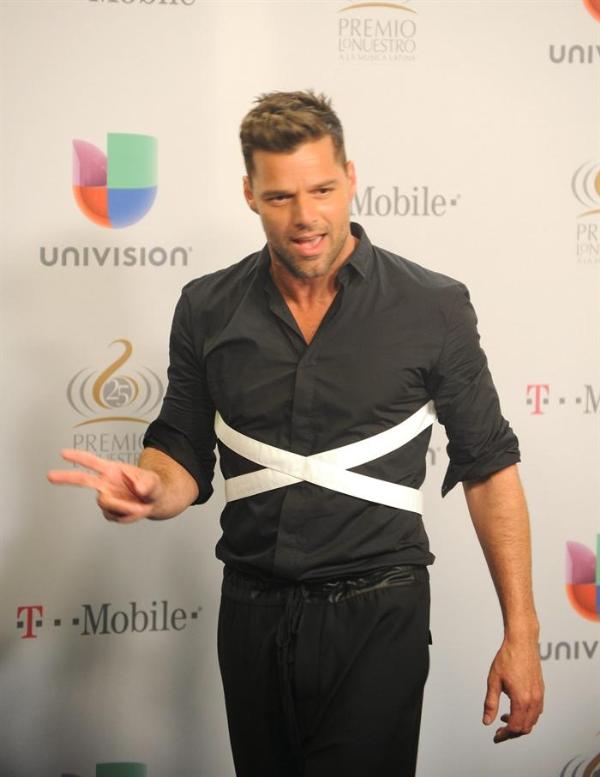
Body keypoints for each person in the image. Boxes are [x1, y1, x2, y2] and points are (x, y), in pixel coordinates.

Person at [48, 90, 544, 777]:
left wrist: (522, 632)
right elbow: (181, 447)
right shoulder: (206, 307)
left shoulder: (433, 306)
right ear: (250, 194)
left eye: (322, 190)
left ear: (351, 179)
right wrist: (152, 488)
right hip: (250, 611)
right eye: (280, 196)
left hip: (379, 610)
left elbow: (488, 468)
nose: (306, 216)